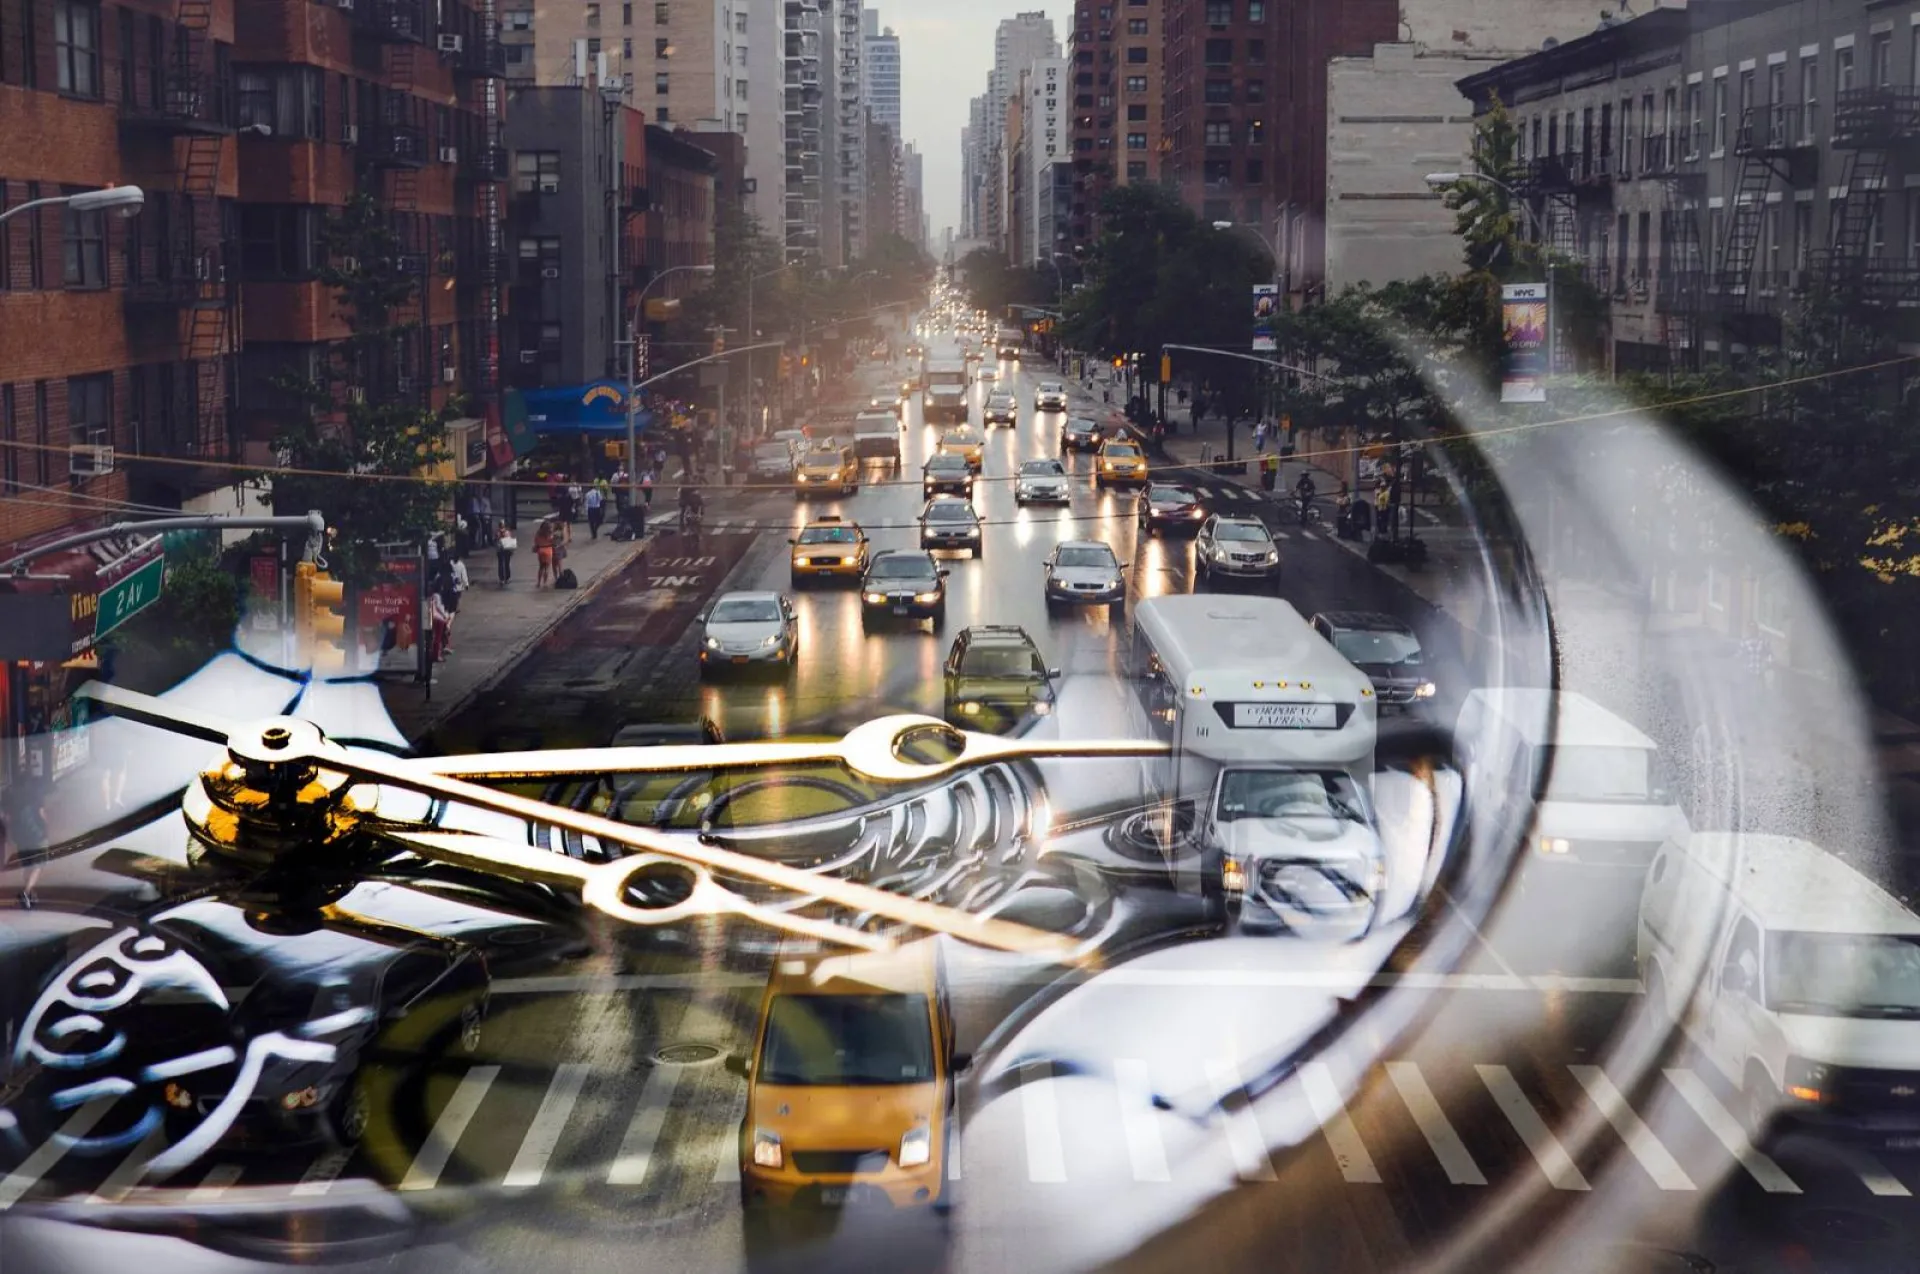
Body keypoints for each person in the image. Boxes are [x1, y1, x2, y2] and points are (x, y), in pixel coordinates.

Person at [535, 520, 555, 589]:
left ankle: (538, 582)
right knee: (547, 568)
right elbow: (553, 542)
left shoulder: (538, 533)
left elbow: (536, 541)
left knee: (541, 567)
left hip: (541, 550)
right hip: (548, 549)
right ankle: (545, 582)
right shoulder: (550, 533)